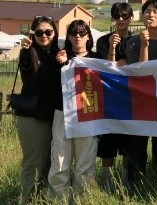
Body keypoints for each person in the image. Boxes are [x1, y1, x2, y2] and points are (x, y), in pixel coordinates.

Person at [49, 20, 101, 199]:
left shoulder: (98, 58)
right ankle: (58, 199)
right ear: (68, 37)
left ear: (88, 36)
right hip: (63, 113)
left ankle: (82, 199)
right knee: (60, 161)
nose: (78, 36)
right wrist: (62, 63)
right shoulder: (61, 57)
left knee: (85, 164)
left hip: (89, 113)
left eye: (82, 33)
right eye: (73, 33)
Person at [123, 0, 157, 185]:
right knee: (137, 145)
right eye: (147, 11)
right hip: (140, 102)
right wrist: (144, 45)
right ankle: (136, 183)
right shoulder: (133, 42)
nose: (150, 15)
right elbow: (140, 71)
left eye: (155, 12)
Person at [16, 16, 60, 203]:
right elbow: (26, 65)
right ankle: (27, 199)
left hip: (53, 116)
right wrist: (25, 49)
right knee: (33, 162)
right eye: (39, 32)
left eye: (48, 32)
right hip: (32, 116)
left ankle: (41, 199)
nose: (44, 36)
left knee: (49, 163)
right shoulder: (30, 53)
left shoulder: (58, 53)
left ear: (55, 33)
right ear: (33, 34)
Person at [95, 2, 134, 190]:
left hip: (129, 100)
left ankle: (126, 182)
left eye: (124, 16)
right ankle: (108, 183)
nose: (121, 19)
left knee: (128, 146)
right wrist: (112, 48)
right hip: (108, 100)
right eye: (117, 16)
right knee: (107, 147)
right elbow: (105, 68)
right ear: (112, 18)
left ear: (131, 18)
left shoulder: (136, 41)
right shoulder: (103, 41)